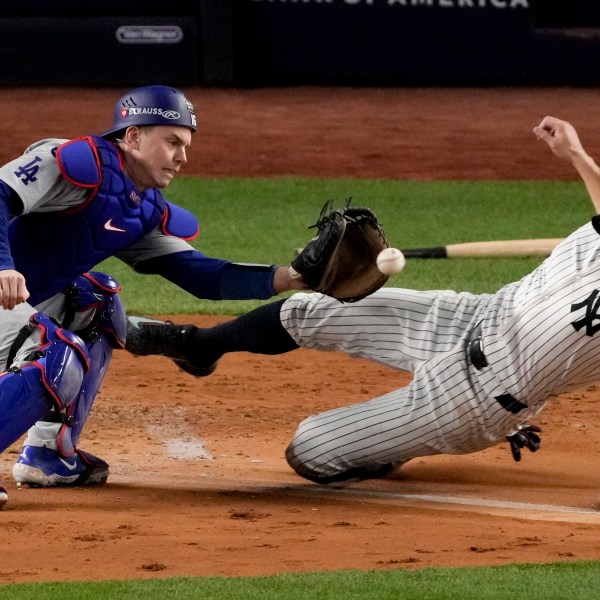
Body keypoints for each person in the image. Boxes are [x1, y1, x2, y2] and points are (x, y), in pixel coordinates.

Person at [126, 115, 600, 484]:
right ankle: (200, 346)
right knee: (309, 308)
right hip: (477, 314)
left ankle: (396, 444)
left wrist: (511, 411)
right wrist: (576, 154)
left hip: (477, 398)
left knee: (311, 450)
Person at [0, 84, 305, 505]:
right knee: (58, 354)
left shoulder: (138, 209)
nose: (183, 157)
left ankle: (51, 454)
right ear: (134, 136)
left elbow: (202, 275)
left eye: (186, 145)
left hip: (15, 301)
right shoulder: (71, 162)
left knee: (99, 304)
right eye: (173, 142)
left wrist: (289, 277)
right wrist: (3, 264)